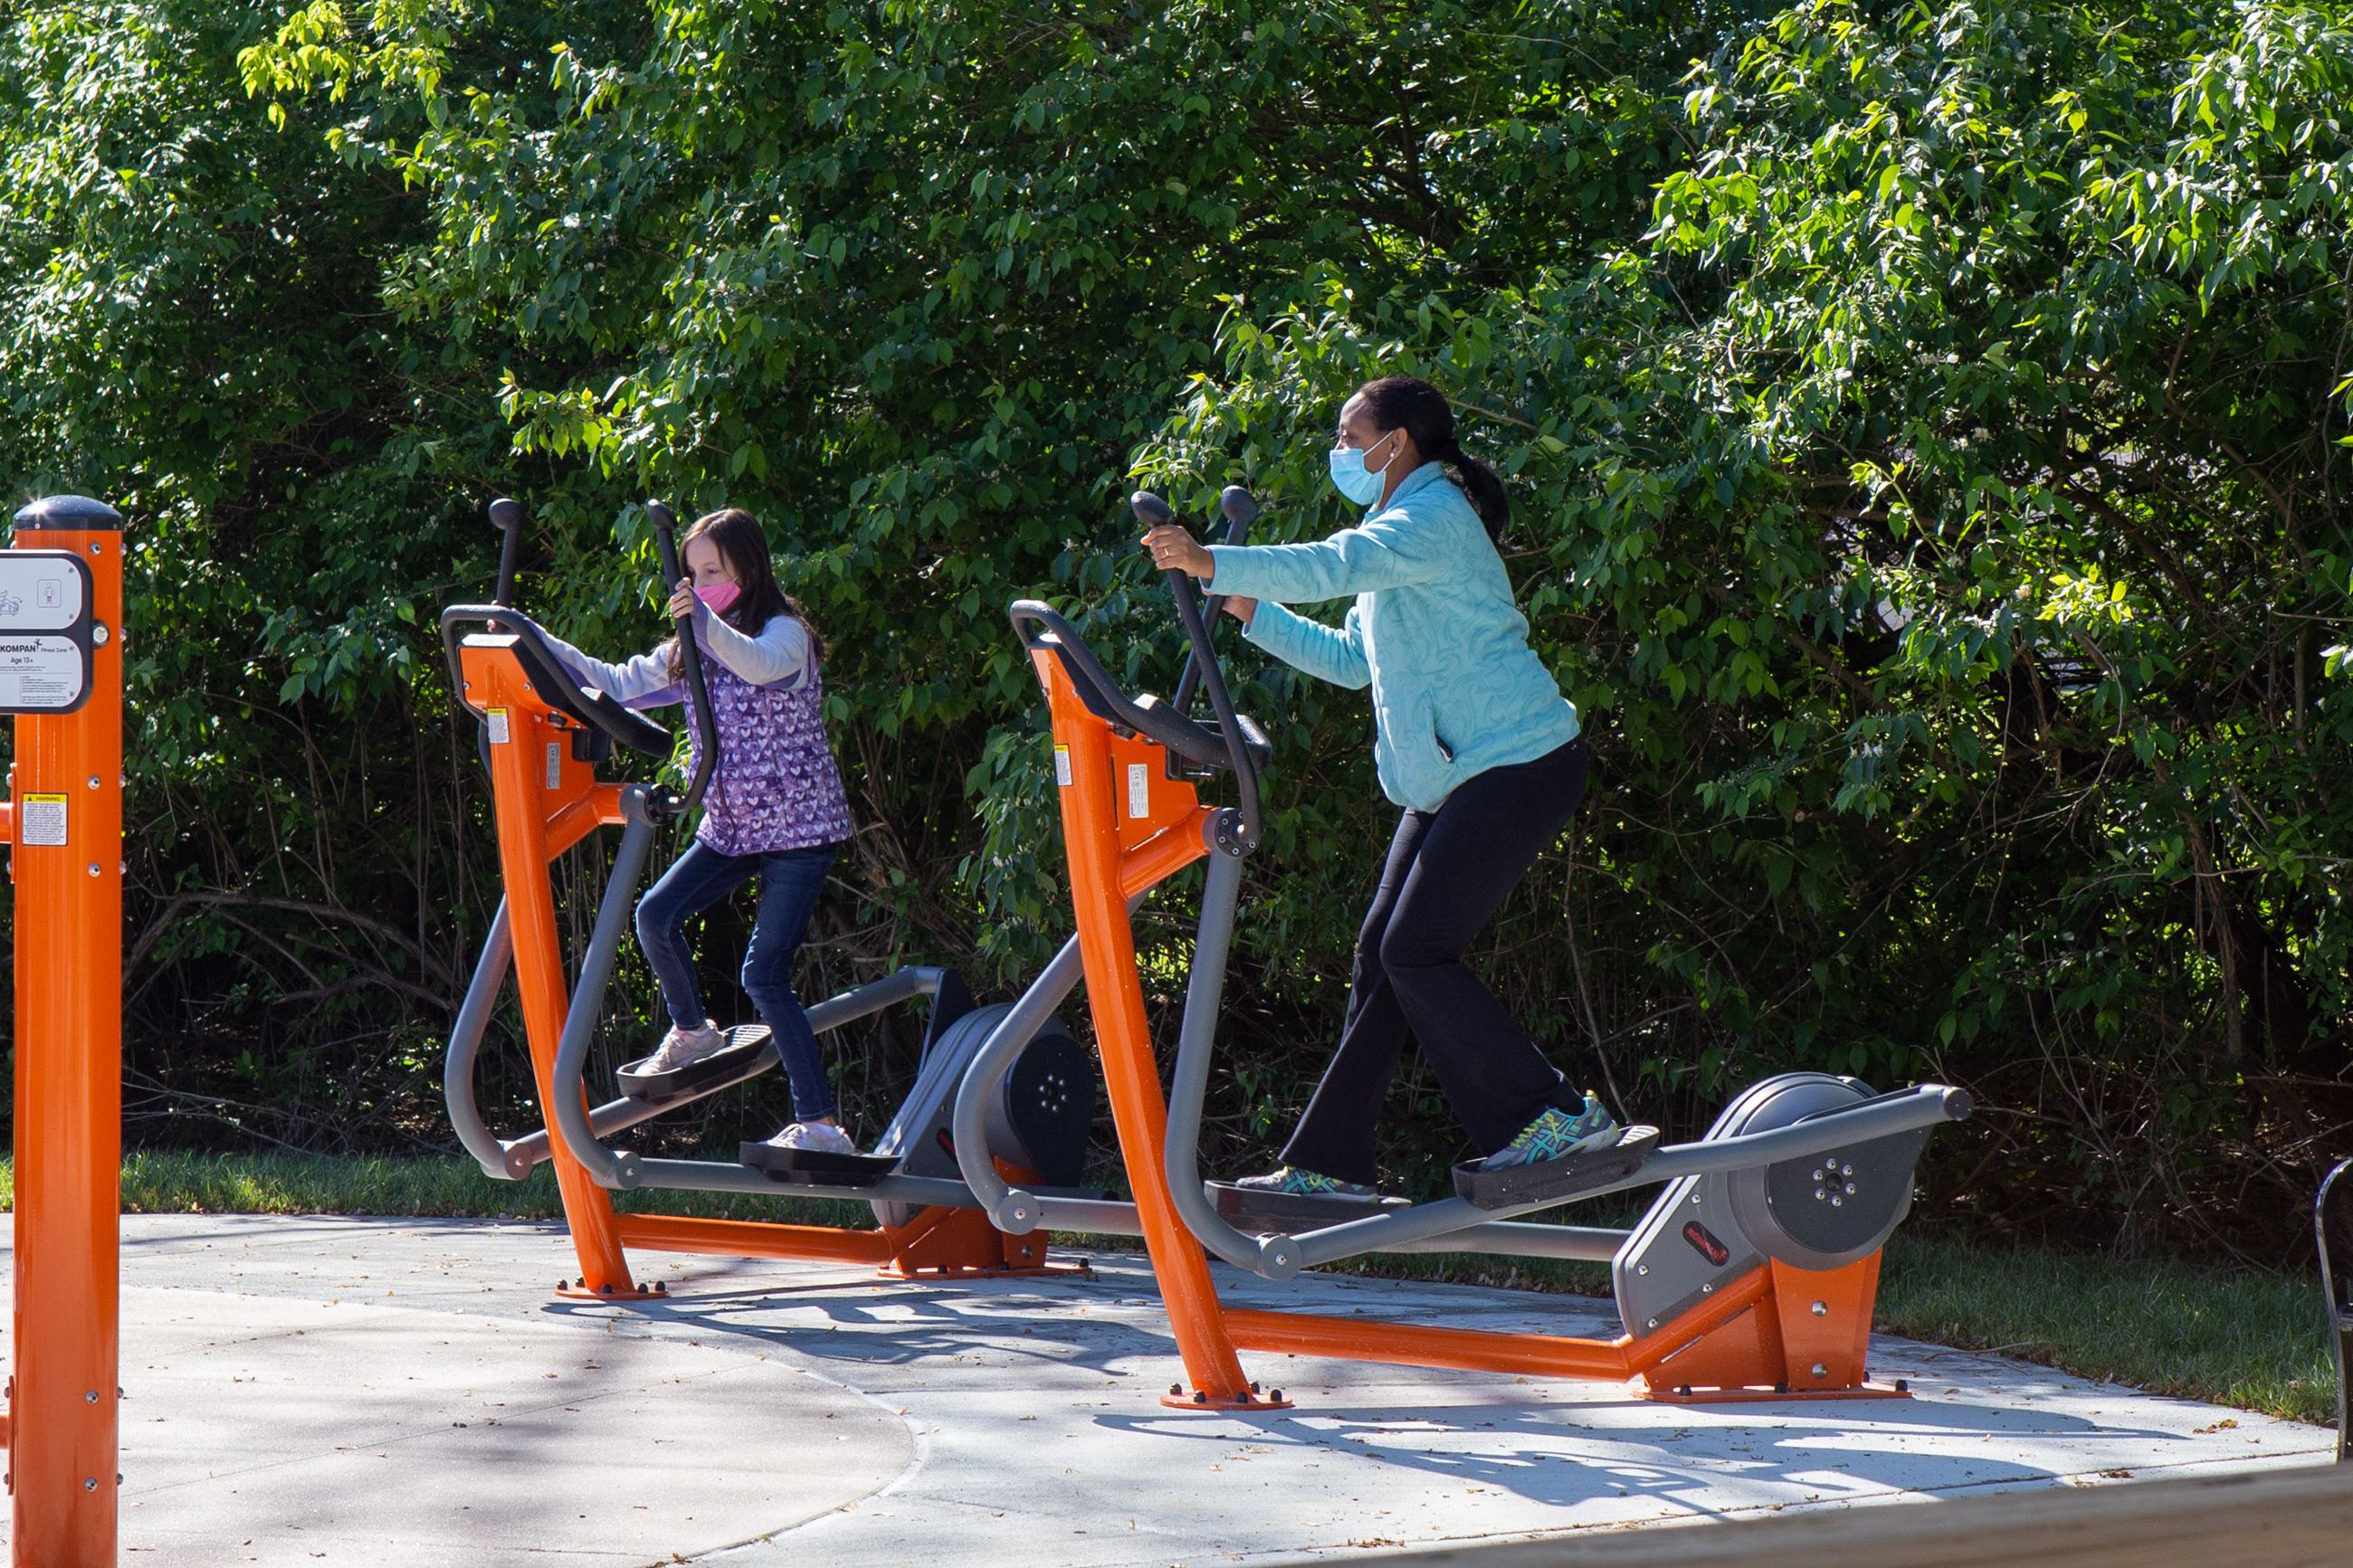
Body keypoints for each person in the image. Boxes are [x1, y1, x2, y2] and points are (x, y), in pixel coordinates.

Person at [1140, 375, 1621, 1196]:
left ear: (1396, 442)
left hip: (1520, 761)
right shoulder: (1394, 529)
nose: (1340, 451)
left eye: (1348, 435)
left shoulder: (1430, 519)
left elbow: (1337, 562)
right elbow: (1352, 660)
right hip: (1454, 776)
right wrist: (1254, 610)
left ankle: (1556, 1119)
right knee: (1381, 955)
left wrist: (1213, 557)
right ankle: (1331, 1167)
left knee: (1416, 949)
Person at [542, 507, 858, 1156]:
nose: (700, 582)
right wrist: (536, 642)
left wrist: (701, 624)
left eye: (712, 571)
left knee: (764, 973)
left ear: (749, 566)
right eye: (692, 573)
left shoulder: (784, 633)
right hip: (733, 828)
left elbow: (758, 664)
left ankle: (823, 1126)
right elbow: (615, 683)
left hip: (798, 829)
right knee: (654, 916)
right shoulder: (693, 643)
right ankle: (693, 1029)